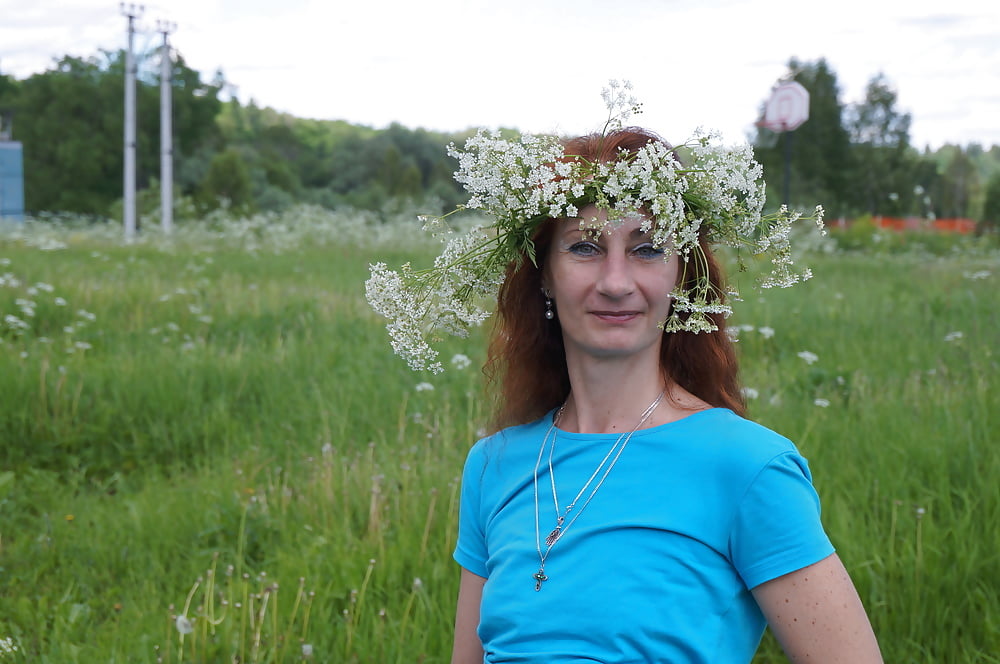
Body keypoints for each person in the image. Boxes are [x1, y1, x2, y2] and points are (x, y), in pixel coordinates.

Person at [366, 84, 883, 663]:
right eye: (586, 248)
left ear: (681, 278)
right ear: (543, 276)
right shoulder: (493, 466)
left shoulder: (747, 468)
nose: (616, 282)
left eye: (647, 248)